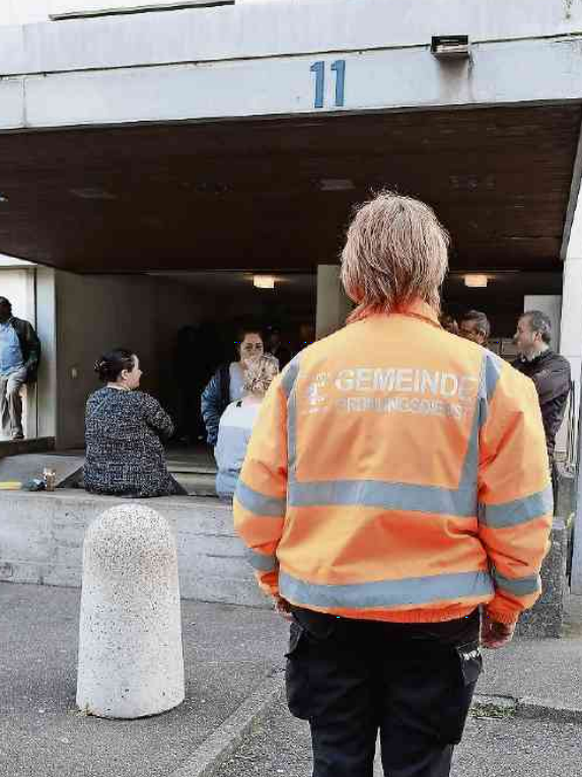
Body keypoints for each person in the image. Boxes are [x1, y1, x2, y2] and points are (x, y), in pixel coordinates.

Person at [233, 192, 552, 777]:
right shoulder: (491, 379)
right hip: (438, 620)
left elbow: (258, 500)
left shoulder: (303, 374)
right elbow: (520, 515)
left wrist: (276, 579)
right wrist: (507, 605)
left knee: (334, 762)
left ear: (353, 274)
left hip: (325, 613)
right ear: (433, 273)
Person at [84, 348, 186, 498]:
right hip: (142, 482)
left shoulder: (93, 400)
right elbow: (168, 429)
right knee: (179, 493)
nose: (141, 372)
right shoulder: (142, 401)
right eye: (138, 368)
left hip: (97, 480)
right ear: (125, 374)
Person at [513, 310, 571, 499]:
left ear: (536, 335)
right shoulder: (518, 365)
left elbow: (527, 391)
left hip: (538, 457)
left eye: (520, 331)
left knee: (533, 519)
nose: (516, 336)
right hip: (512, 453)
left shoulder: (559, 366)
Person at [214, 355, 279, 500]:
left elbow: (219, 452)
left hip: (224, 485)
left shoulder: (231, 408)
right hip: (252, 490)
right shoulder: (268, 414)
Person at [201, 327, 277, 447]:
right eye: (248, 347)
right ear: (239, 349)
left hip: (262, 443)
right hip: (233, 442)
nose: (254, 351)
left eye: (258, 347)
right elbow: (208, 401)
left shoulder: (271, 373)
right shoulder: (226, 373)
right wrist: (217, 433)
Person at [0, 296, 41, 441]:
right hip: (1, 371)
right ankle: (7, 434)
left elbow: (34, 347)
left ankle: (17, 430)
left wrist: (29, 366)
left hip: (17, 368)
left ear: (5, 308)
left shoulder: (22, 325)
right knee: (2, 402)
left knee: (11, 393)